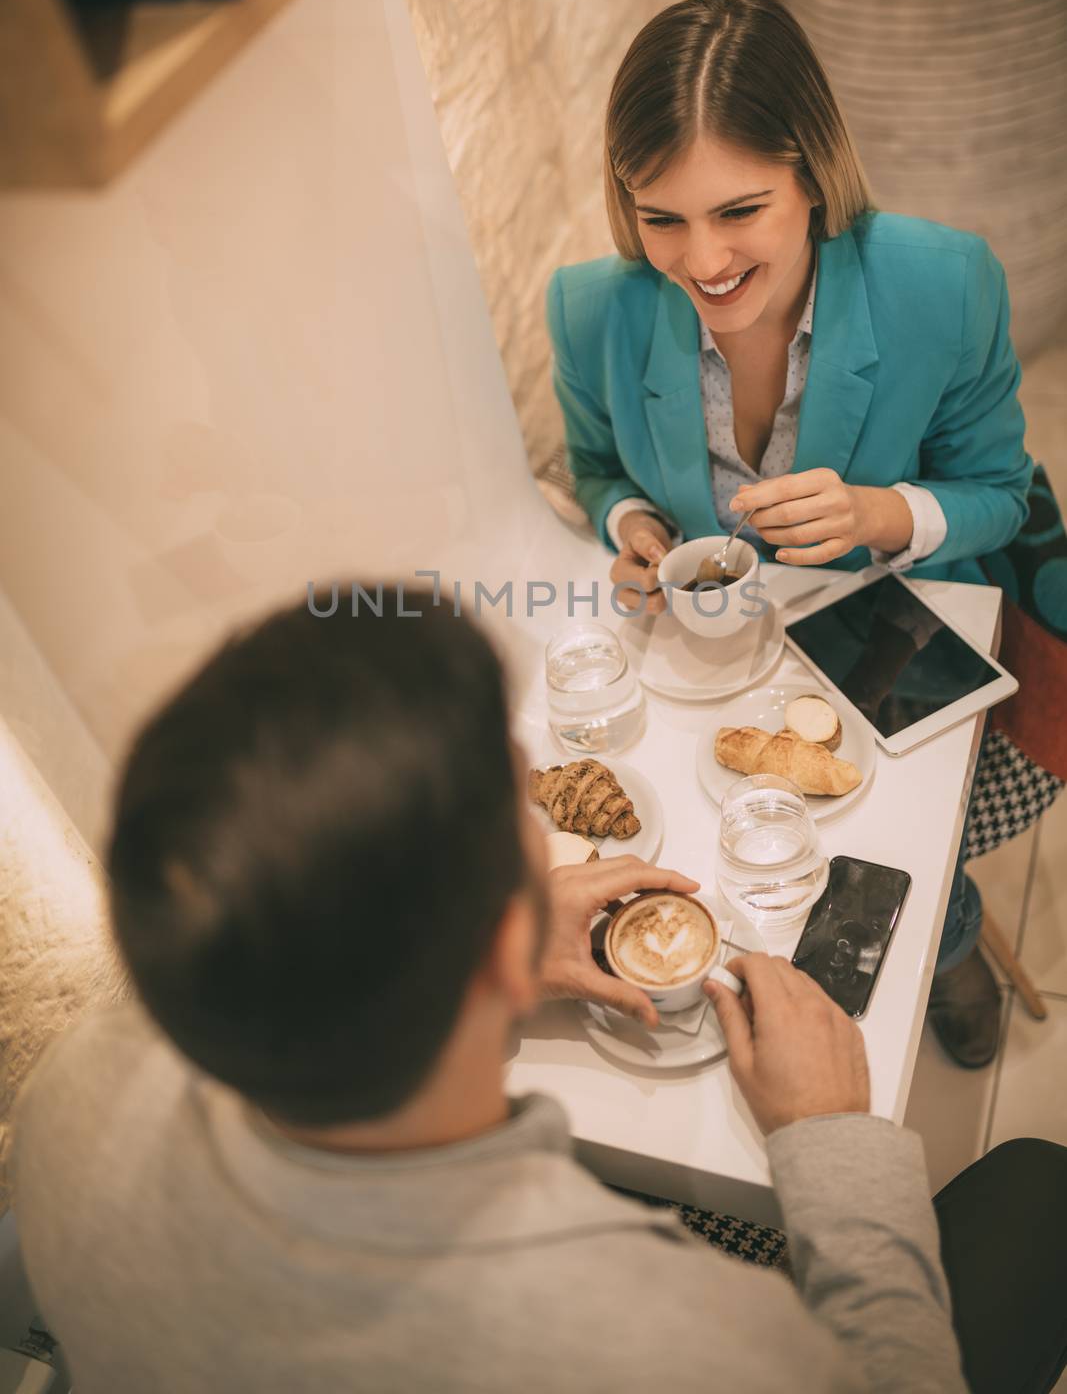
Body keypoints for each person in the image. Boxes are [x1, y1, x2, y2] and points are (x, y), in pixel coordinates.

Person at [13, 595, 1067, 1394]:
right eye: (512, 790)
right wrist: (833, 1141)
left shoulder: (71, 1092)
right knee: (1038, 1189)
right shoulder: (649, 1336)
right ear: (500, 943)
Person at [547, 0, 1033, 1068]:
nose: (700, 261)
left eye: (737, 211)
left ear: (811, 176)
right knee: (676, 844)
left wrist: (880, 512)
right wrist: (627, 520)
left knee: (901, 858)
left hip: (886, 626)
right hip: (706, 657)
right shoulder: (590, 309)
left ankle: (945, 949)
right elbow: (589, 468)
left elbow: (1003, 491)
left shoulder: (940, 283)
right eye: (658, 216)